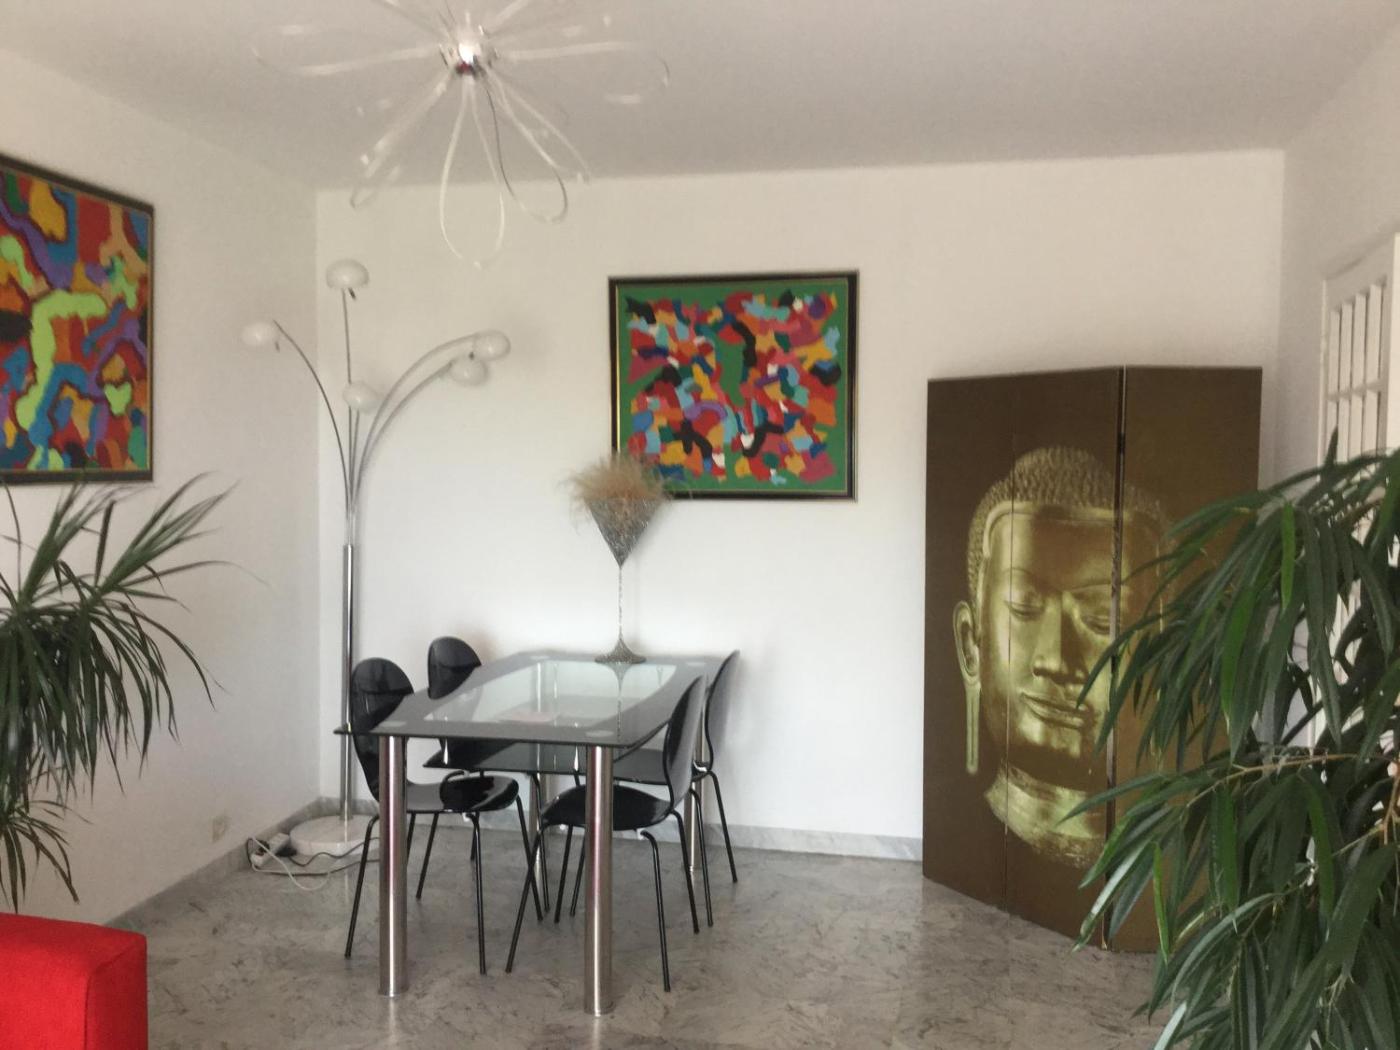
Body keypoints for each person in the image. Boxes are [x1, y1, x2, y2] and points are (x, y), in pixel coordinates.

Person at [952, 446, 1165, 868]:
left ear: (1158, 661)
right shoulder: (959, 841)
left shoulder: (1169, 855)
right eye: (1023, 608)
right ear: (971, 643)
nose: (1057, 661)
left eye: (1103, 621)